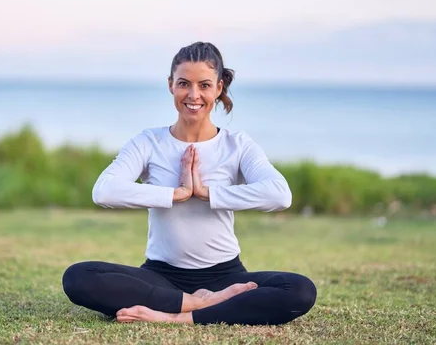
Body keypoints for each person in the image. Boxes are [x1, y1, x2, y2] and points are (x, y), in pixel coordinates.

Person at [62, 41, 317, 325]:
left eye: (204, 85)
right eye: (184, 83)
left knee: (301, 290)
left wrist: (209, 194)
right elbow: (104, 190)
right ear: (170, 85)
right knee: (77, 277)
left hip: (225, 276)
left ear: (219, 88)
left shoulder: (237, 145)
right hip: (159, 277)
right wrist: (176, 194)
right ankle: (195, 304)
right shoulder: (149, 142)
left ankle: (175, 317)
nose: (193, 95)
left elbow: (280, 195)